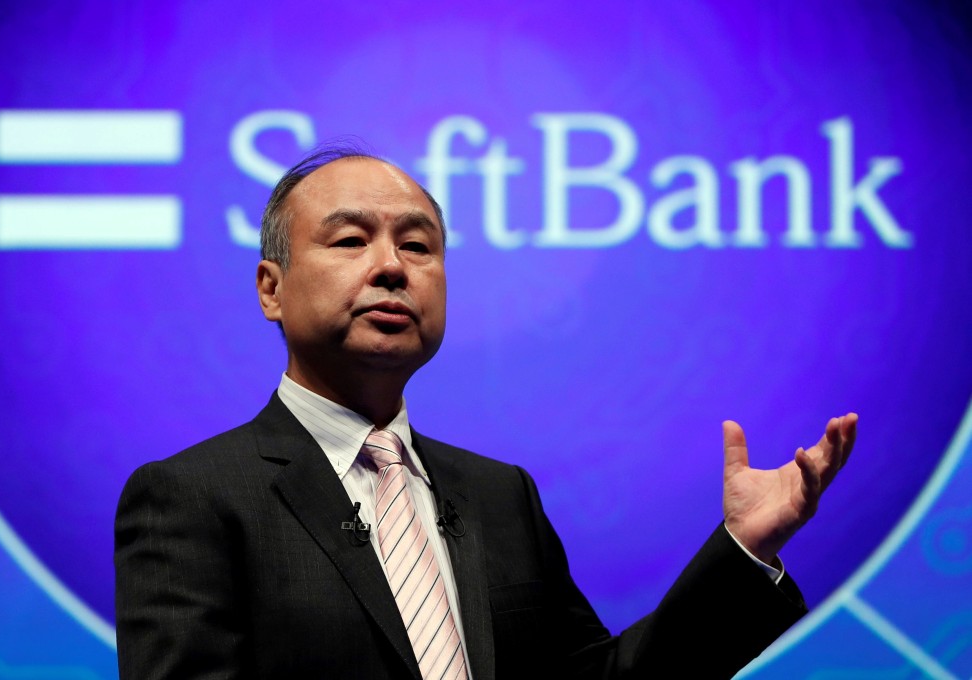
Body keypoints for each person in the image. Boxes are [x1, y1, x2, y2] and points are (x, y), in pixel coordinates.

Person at [114, 144, 858, 679]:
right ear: (270, 288)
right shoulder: (193, 497)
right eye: (350, 240)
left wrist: (743, 550)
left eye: (418, 245)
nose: (392, 266)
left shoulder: (501, 496)